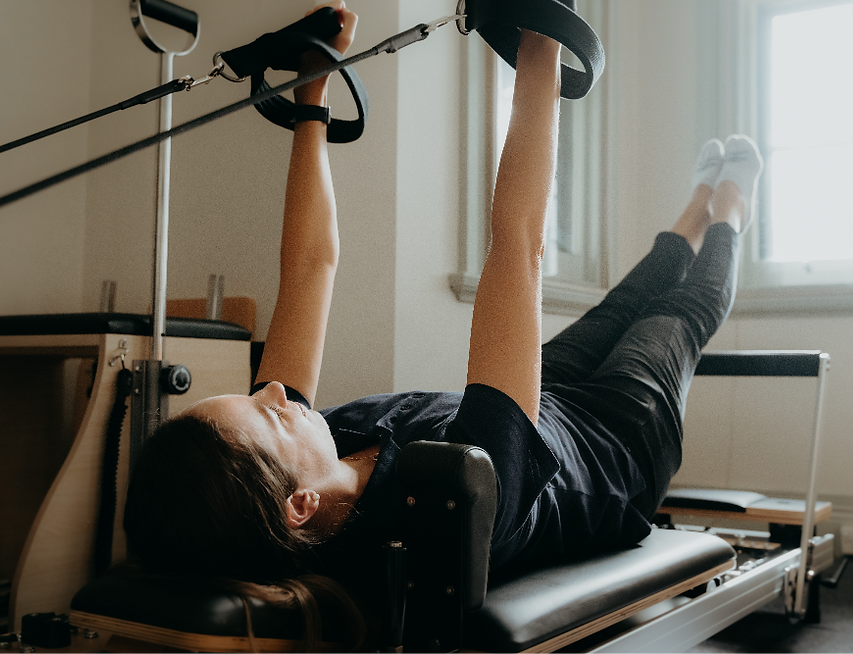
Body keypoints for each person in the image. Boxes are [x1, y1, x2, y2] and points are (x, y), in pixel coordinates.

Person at [123, 0, 763, 645]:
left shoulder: (315, 462)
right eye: (269, 414)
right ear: (300, 507)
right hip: (617, 446)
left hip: (548, 409)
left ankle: (693, 211)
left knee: (621, 306)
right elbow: (518, 246)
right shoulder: (453, 501)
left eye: (254, 394)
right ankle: (731, 207)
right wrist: (542, 42)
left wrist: (312, 91)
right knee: (678, 313)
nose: (274, 391)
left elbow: (309, 265)